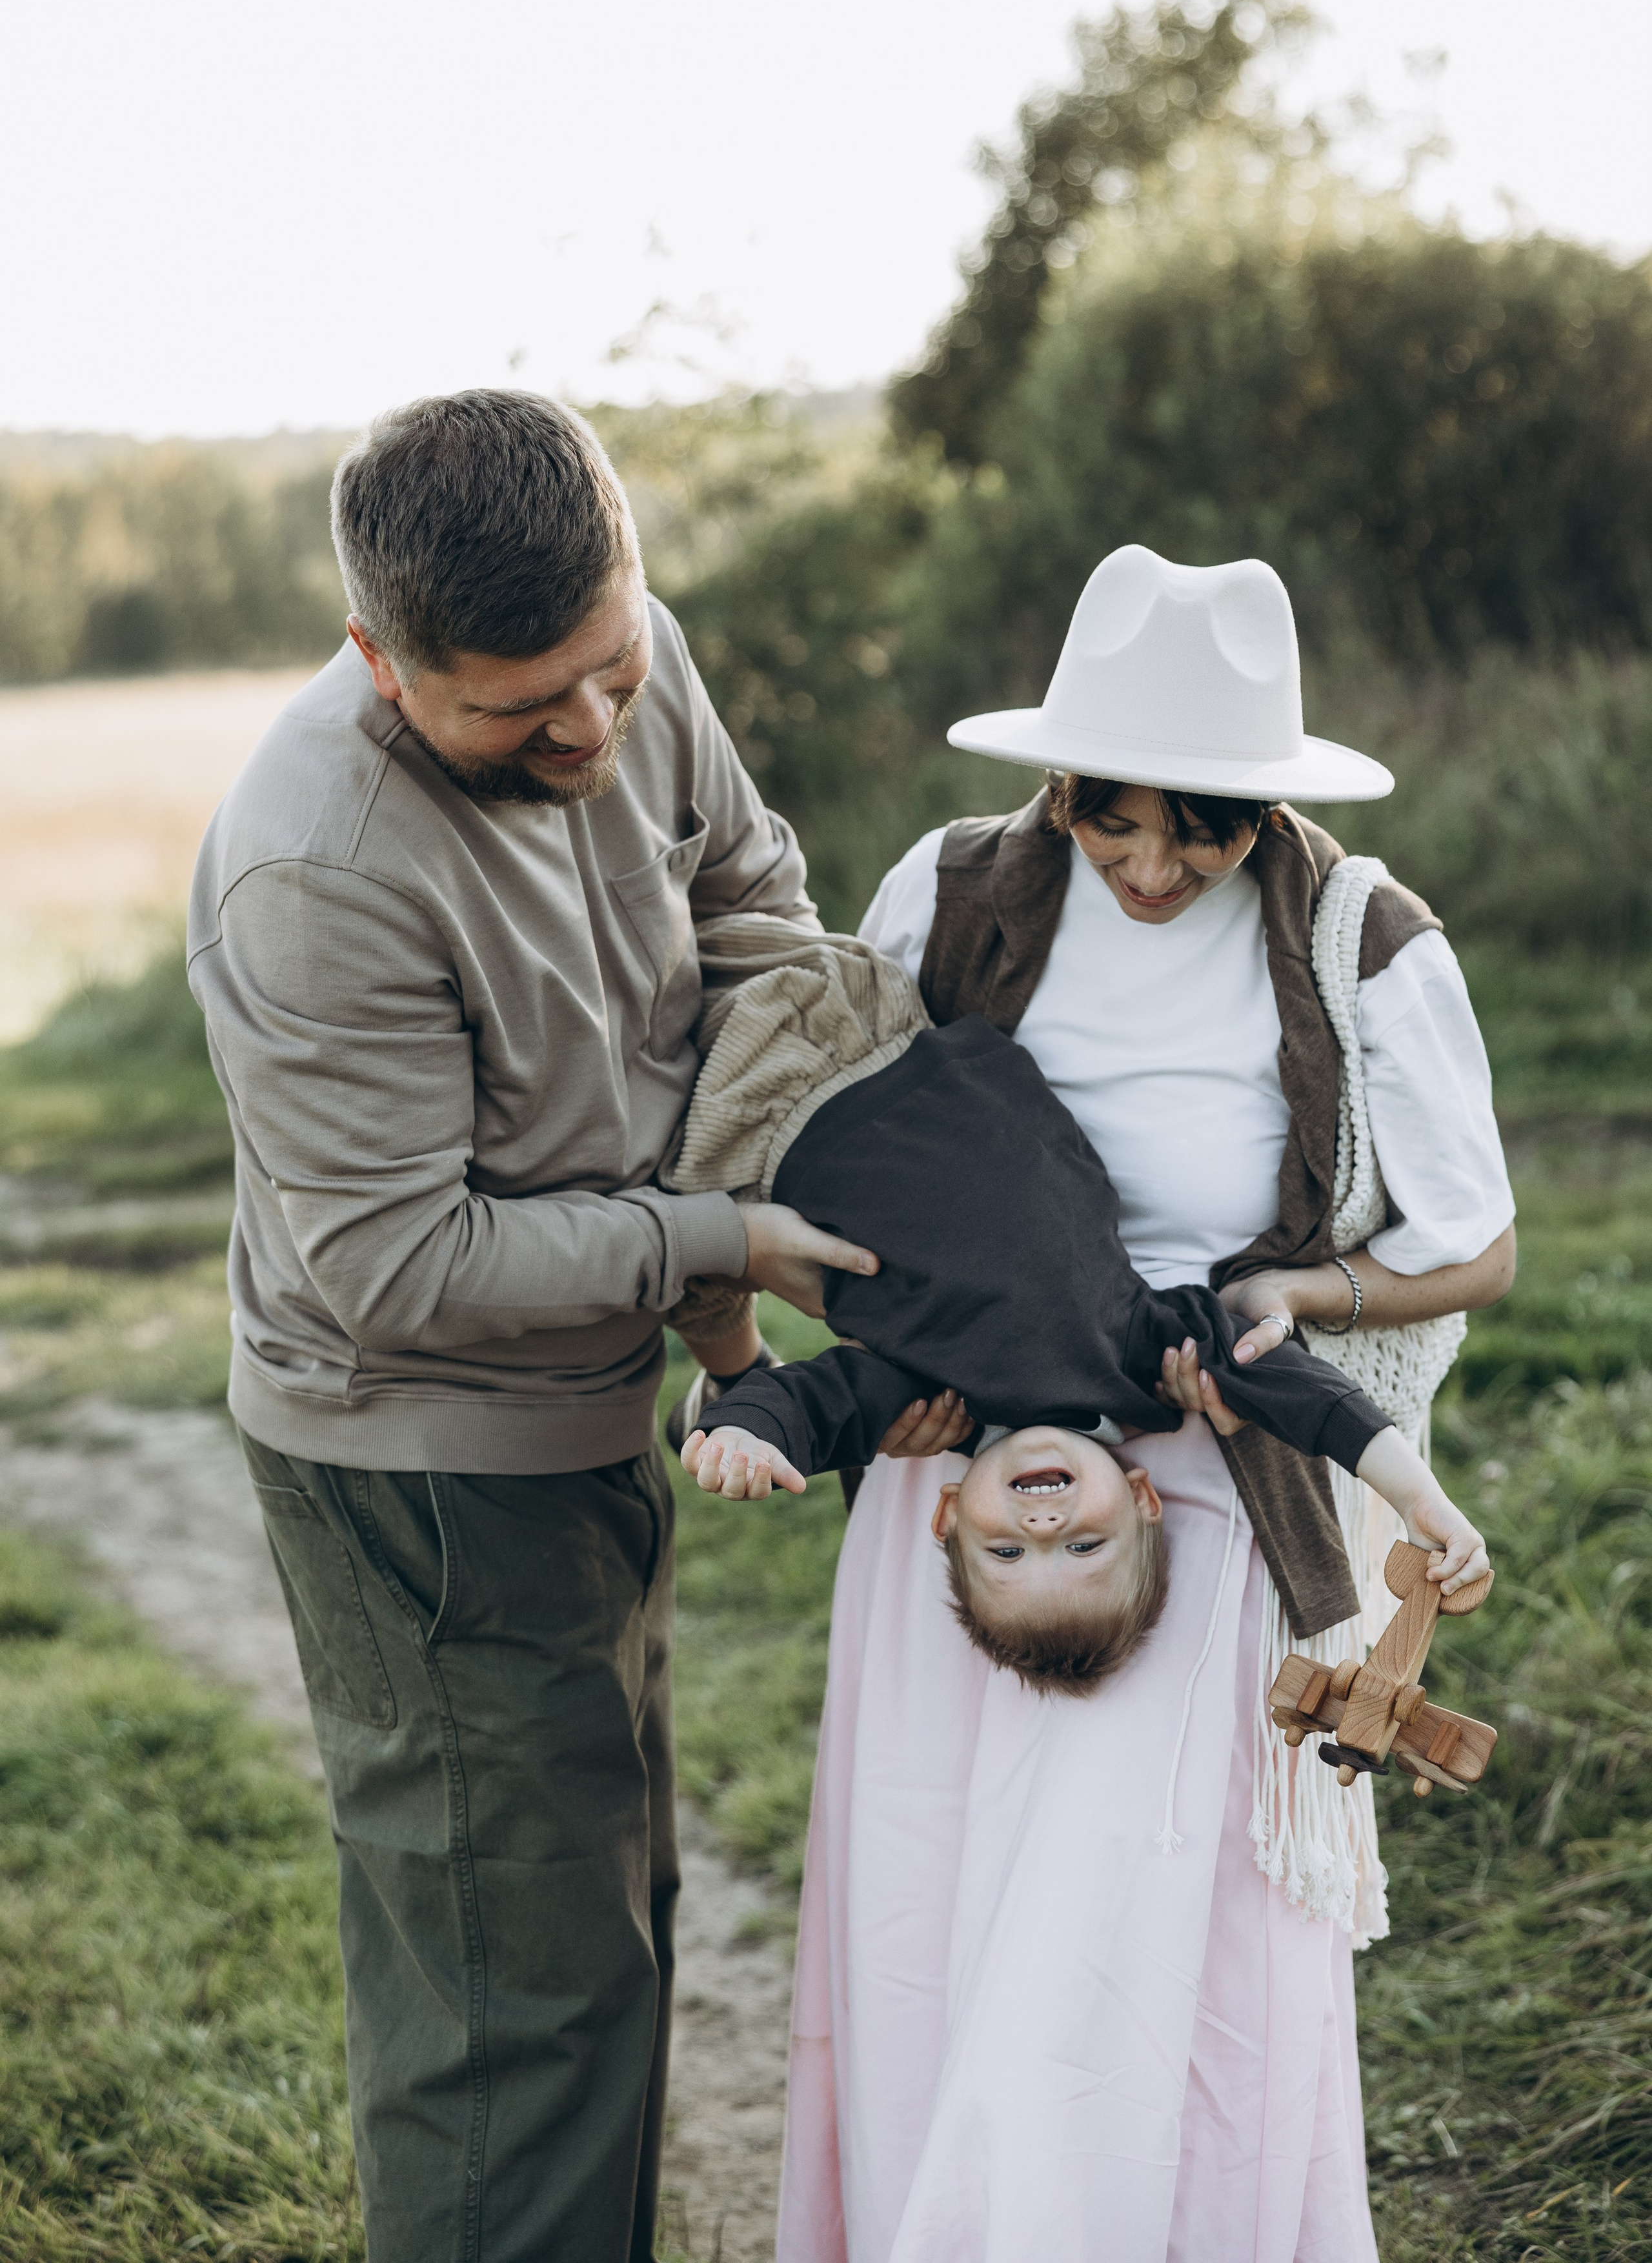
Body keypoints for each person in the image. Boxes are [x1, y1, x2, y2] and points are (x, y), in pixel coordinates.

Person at [185, 390, 894, 2263]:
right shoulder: (314, 868)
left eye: (613, 666)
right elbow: (398, 1268)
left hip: (592, 1409)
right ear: (383, 661)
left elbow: (753, 894)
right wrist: (718, 1232)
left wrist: (766, 1178)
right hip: (421, 1473)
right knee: (522, 2005)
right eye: (523, 705)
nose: (594, 728)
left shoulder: (621, 655)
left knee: (607, 1921)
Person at [772, 545, 1518, 2261]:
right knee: (932, 1914)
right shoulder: (956, 892)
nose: (1157, 865)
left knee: (1122, 1946)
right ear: (1060, 784)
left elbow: (1473, 1249)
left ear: (1267, 809)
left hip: (1209, 1491)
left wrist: (1302, 1294)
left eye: (1208, 826)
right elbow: (825, 1146)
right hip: (966, 1484)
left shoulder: (1362, 936)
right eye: (1115, 820)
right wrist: (870, 1347)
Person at [644, 916, 1488, 1687]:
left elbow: (808, 1401)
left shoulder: (925, 1399)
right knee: (704, 867)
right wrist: (1419, 1499)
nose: (1042, 1523)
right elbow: (1304, 1397)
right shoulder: (1149, 1360)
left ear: (949, 1513)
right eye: (1083, 1544)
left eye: (1006, 1549)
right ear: (1142, 1500)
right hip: (877, 1016)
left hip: (753, 1099)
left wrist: (744, 1435)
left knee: (625, 931)